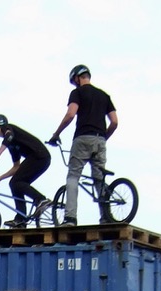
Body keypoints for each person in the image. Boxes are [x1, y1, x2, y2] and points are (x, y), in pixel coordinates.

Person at [48, 64, 117, 226]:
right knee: (99, 178)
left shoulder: (77, 92)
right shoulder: (104, 96)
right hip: (100, 140)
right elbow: (114, 122)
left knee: (73, 176)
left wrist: (56, 134)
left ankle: (70, 218)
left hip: (82, 138)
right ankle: (105, 217)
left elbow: (70, 114)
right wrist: (103, 138)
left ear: (77, 78)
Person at [0, 114, 52, 228]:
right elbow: (16, 167)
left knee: (16, 182)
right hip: (40, 159)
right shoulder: (12, 146)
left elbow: (9, 137)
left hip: (40, 156)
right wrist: (0, 177)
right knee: (15, 183)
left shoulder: (8, 128)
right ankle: (21, 219)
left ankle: (41, 200)